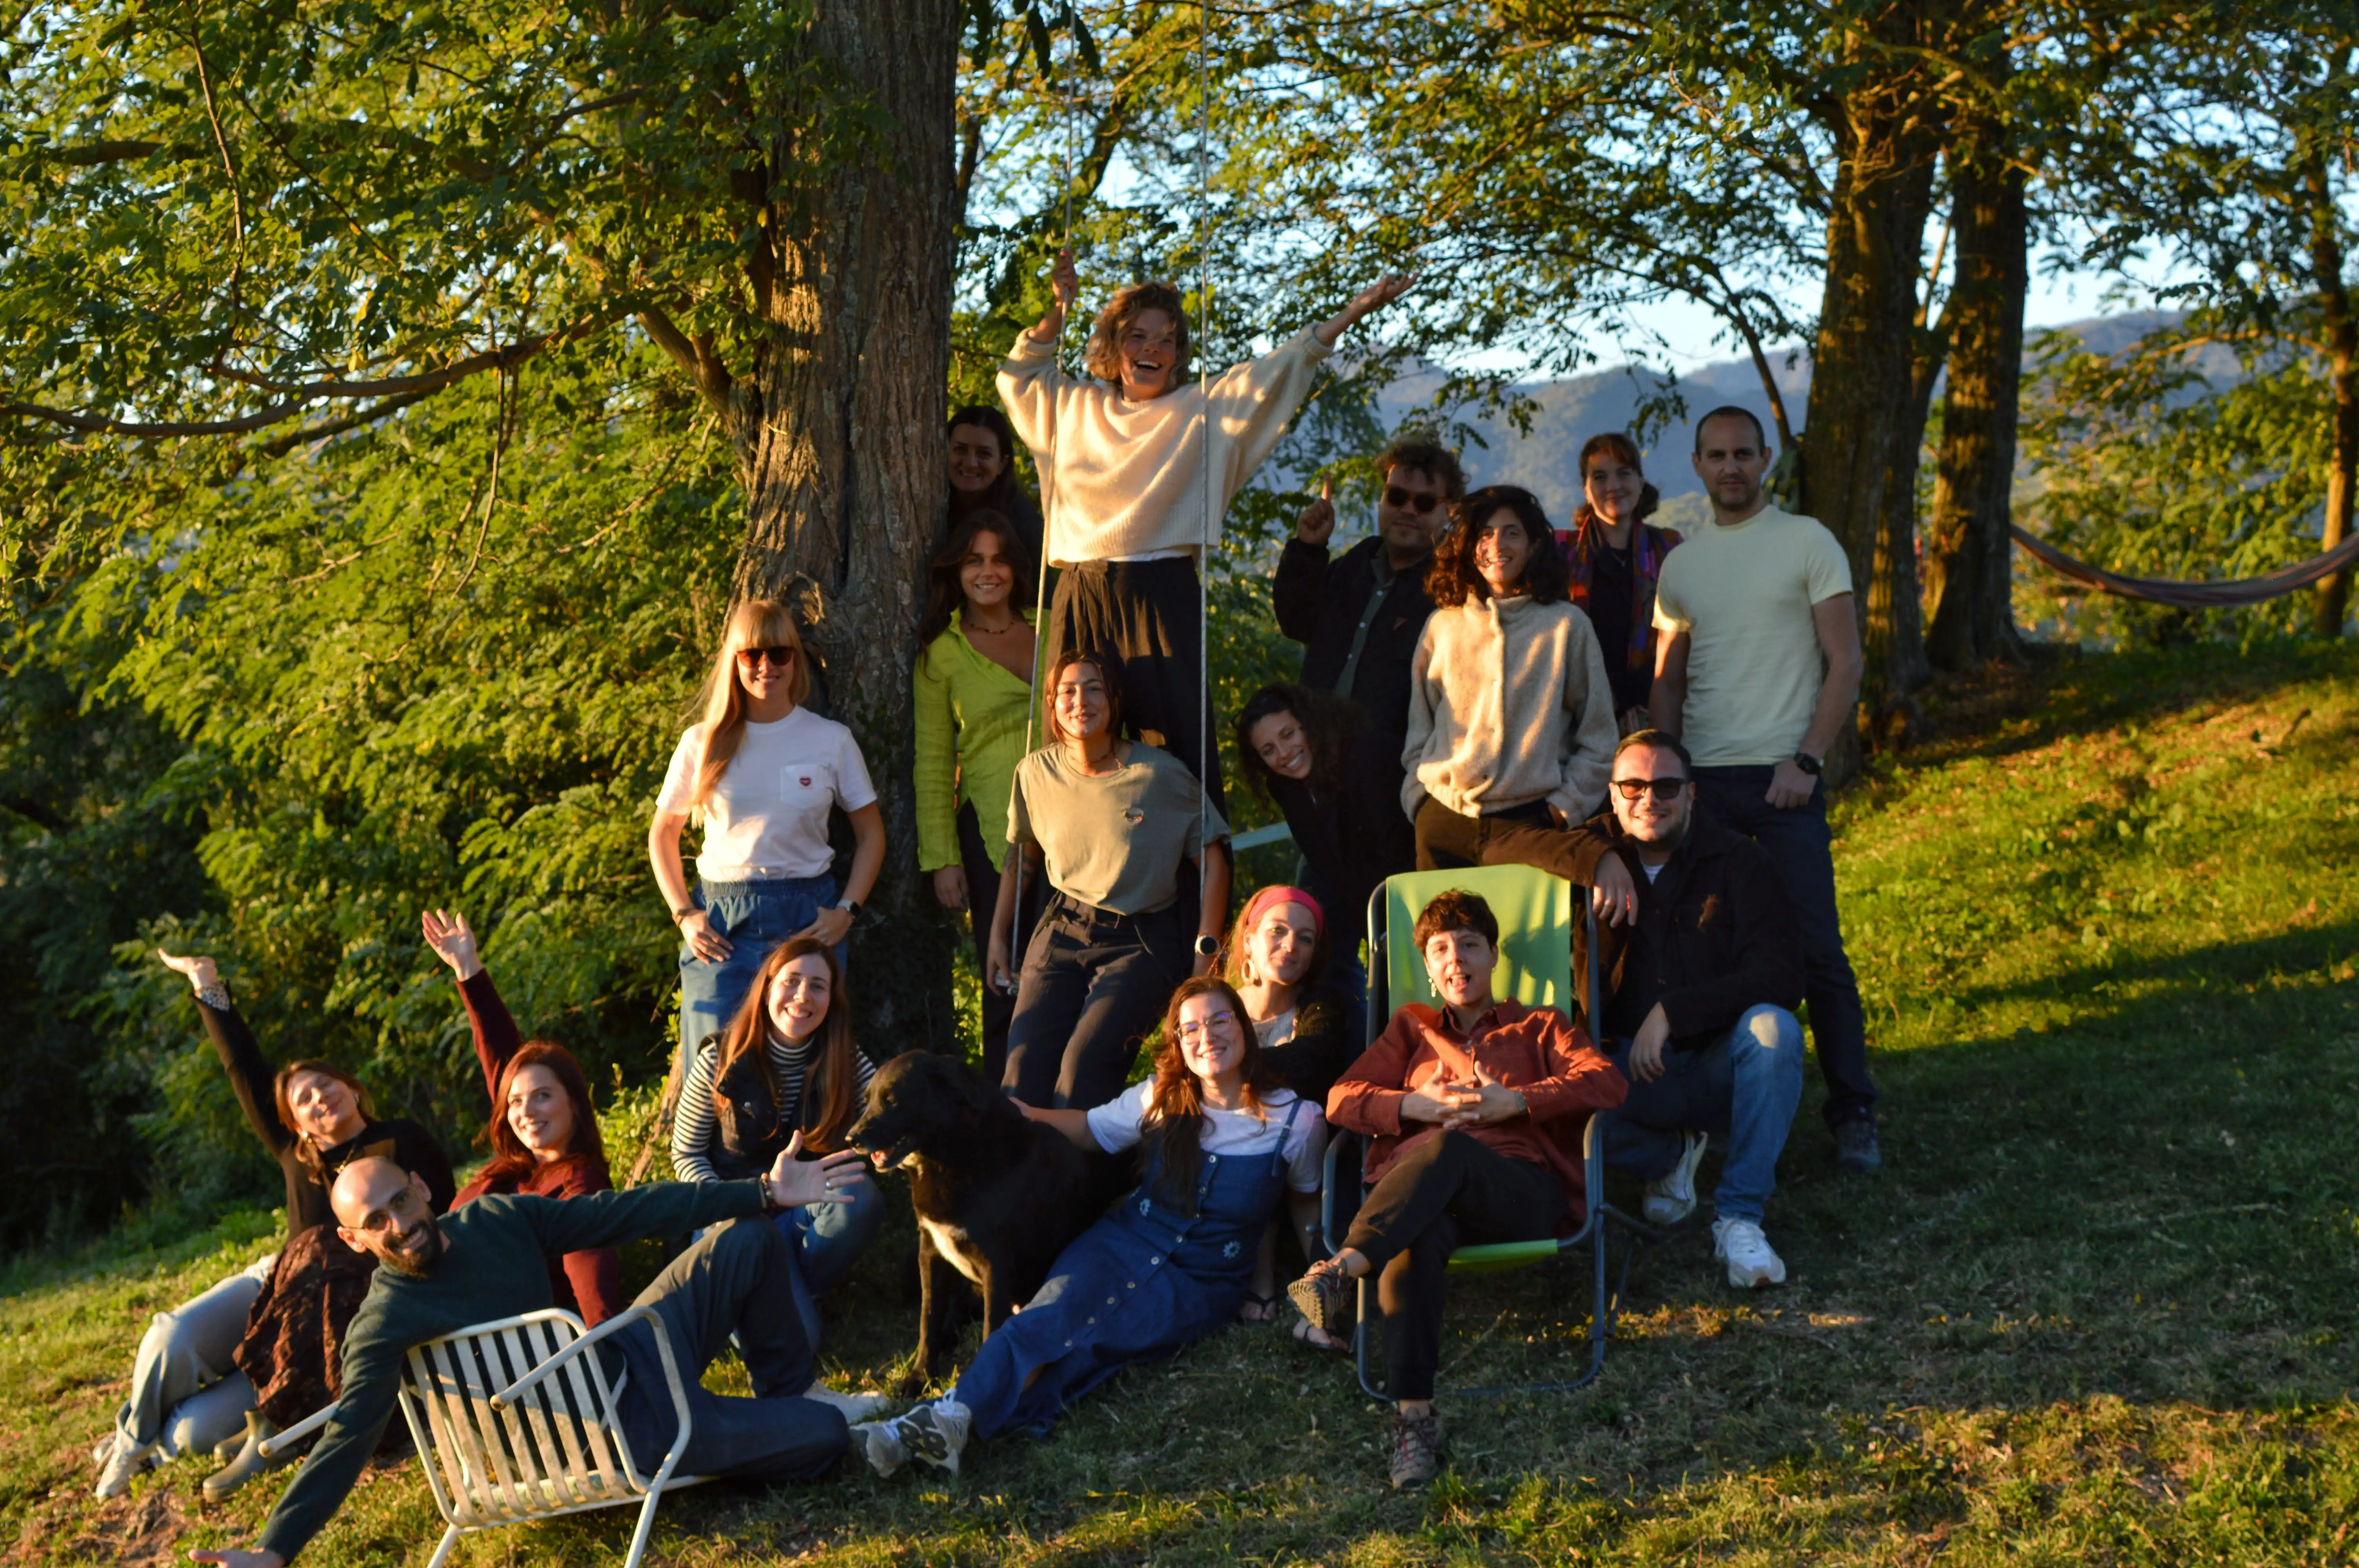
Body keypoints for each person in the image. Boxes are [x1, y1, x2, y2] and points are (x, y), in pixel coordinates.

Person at [184, 1144, 869, 1568]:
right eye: (376, 1222)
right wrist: (276, 1548)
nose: (400, 1224)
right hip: (620, 1440)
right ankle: (761, 1427)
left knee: (747, 1239)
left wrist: (762, 1192)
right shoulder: (381, 1323)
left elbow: (624, 1213)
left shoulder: (498, 1219)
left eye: (401, 1201)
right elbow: (348, 1435)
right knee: (828, 1435)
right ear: (353, 1240)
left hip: (623, 1358)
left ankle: (788, 1392)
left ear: (422, 1186)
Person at [851, 978, 1327, 1477]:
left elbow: (1303, 1205)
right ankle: (942, 1421)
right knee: (1045, 1316)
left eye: (1219, 1020)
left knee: (1096, 1346)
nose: (1205, 1036)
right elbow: (1090, 1129)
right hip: (1122, 1241)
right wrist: (1025, 1115)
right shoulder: (1159, 1097)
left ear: (1244, 1027)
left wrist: (1312, 1282)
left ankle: (943, 1422)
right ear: (1178, 1042)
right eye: (1190, 1028)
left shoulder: (1296, 1121)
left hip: (1200, 1281)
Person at [999, 249, 1415, 814]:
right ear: (1115, 345)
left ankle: (1195, 867)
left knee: (1176, 748)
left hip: (1161, 596)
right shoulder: (1074, 406)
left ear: (1178, 356)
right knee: (1075, 744)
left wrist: (1356, 310)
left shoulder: (1201, 410)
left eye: (1166, 340)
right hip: (1081, 591)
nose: (1151, 349)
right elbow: (1021, 374)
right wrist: (1058, 309)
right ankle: (1069, 867)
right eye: (1138, 336)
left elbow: (1285, 365)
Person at [1287, 889, 1625, 1489]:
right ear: (1428, 968)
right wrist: (1413, 1104)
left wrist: (1516, 1101)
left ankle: (1341, 1270)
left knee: (1449, 1150)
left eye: (1469, 944)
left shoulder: (1540, 1025)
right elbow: (1342, 1099)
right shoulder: (1410, 1029)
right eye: (1441, 950)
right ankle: (1414, 1420)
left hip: (1520, 1192)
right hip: (1420, 1200)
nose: (1456, 959)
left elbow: (1606, 1082)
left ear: (1493, 955)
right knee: (1416, 1235)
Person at [99, 950, 456, 1504]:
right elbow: (243, 1068)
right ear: (296, 1125)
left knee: (192, 1432)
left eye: (326, 1085)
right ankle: (129, 1441)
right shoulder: (297, 1155)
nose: (319, 1098)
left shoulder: (401, 1139)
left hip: (331, 1319)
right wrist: (206, 983)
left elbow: (439, 1217)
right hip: (274, 1285)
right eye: (303, 1100)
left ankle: (156, 1444)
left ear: (353, 1088)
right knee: (172, 1336)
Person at [1650, 406, 1879, 1172]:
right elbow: (1668, 683)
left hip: (1785, 782)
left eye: (1743, 454)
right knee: (1707, 956)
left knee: (1816, 951)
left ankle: (1853, 1112)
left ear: (1765, 459)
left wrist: (1806, 760)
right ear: (1697, 464)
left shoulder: (1807, 541)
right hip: (1704, 790)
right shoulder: (1682, 566)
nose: (1730, 467)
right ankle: (1714, 1111)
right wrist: (1670, 778)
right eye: (1716, 455)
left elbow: (1845, 662)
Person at [1569, 733, 1808, 1287]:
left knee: (1774, 1030)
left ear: (1692, 794)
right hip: (1627, 1072)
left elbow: (1781, 975)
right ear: (1612, 795)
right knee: (1552, 1104)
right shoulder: (1586, 855)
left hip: (1715, 1067)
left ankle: (1740, 1218)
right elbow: (1504, 843)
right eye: (1633, 786)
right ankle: (1666, 1156)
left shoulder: (1741, 861)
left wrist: (1674, 1011)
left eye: (1666, 786)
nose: (1649, 799)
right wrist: (1594, 858)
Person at [988, 650, 1232, 1110]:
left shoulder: (1160, 774)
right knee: (1021, 1070)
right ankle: (1019, 1159)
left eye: (1094, 689)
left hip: (1138, 938)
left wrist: (1205, 959)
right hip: (1063, 928)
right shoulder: (1034, 772)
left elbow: (1213, 859)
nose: (1081, 701)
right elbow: (1022, 855)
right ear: (1052, 704)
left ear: (1115, 700)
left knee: (1082, 1071)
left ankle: (1084, 1159)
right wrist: (999, 935)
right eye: (1068, 691)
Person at [649, 599, 886, 1065]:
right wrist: (684, 914)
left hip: (807, 918)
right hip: (722, 924)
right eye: (752, 654)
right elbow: (663, 834)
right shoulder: (701, 741)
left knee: (812, 1065)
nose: (766, 666)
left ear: (795, 659)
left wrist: (847, 912)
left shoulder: (831, 739)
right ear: (734, 660)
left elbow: (871, 834)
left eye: (779, 653)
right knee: (714, 1066)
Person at [671, 936, 884, 1350]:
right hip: (734, 1219)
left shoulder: (846, 1059)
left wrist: (885, 1144)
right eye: (791, 981)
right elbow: (686, 1152)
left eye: (818, 986)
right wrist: (725, 1205)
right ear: (767, 988)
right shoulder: (720, 1058)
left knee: (860, 1196)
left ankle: (796, 1286)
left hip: (799, 1214)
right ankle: (768, 1295)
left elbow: (885, 1111)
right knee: (798, 1348)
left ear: (831, 1000)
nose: (803, 996)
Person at [420, 909, 624, 1324]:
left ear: (574, 1102)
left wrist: (609, 1346)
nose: (526, 1112)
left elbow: (594, 1289)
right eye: (515, 1102)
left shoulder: (577, 1186)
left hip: (515, 1347)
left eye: (543, 1097)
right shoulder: (513, 1170)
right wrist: (468, 970)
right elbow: (502, 1058)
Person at [1403, 485, 1619, 872]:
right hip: (1443, 821)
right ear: (1468, 547)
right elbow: (1420, 728)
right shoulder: (1442, 626)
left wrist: (1562, 808)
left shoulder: (1566, 627)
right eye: (1484, 534)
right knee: (1440, 916)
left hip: (1533, 823)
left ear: (1534, 546)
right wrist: (1419, 800)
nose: (1497, 545)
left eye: (1511, 533)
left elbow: (1600, 738)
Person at [914, 511, 1039, 1083]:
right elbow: (933, 763)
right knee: (1003, 972)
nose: (988, 572)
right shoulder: (942, 653)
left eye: (999, 559)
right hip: (992, 829)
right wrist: (943, 858)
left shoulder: (1052, 625)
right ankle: (1005, 1105)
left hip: (1073, 819)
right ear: (956, 572)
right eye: (974, 561)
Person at [1234, 681, 1416, 1034]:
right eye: (1269, 750)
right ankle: (1343, 1041)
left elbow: (1397, 849)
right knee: (1322, 947)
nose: (1284, 754)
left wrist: (1395, 929)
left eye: (1288, 735)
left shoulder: (1366, 755)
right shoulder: (1284, 786)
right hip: (1357, 894)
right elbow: (1327, 863)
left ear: (1310, 723)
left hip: (1407, 883)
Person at [1272, 433, 1465, 750]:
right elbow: (1297, 623)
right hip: (1314, 757)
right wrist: (1308, 549)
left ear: (1450, 513)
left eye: (1425, 503)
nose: (1408, 510)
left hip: (1394, 768)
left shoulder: (1453, 590)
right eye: (1397, 496)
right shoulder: (1356, 564)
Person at [1221, 886, 1354, 1337]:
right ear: (1248, 940)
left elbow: (1311, 1061)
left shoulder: (1319, 1007)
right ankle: (1262, 1272)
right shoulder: (1218, 1003)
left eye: (1305, 938)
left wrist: (1229, 1070)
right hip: (1222, 1153)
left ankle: (1321, 1283)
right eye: (1277, 931)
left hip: (1301, 1156)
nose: (1291, 945)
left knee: (1289, 1120)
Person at [1556, 433, 1682, 731]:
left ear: (1640, 481)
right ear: (1586, 490)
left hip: (1652, 709)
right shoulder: (1560, 553)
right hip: (1573, 714)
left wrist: (1628, 696)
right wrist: (1606, 699)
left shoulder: (1668, 549)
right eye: (1600, 477)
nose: (1613, 486)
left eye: (1624, 473)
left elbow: (1683, 639)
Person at [945, 403, 1044, 562]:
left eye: (984, 454)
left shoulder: (1025, 524)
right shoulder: (928, 504)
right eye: (960, 450)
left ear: (1002, 464)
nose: (971, 463)